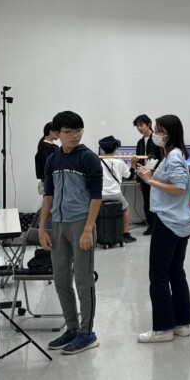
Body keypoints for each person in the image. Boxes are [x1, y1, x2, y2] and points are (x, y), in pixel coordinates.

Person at [39, 111, 102, 355]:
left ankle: (87, 333)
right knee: (61, 279)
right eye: (68, 132)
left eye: (78, 131)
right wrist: (43, 228)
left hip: (81, 223)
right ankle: (72, 328)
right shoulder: (53, 160)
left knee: (83, 280)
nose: (74, 136)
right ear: (57, 134)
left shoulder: (88, 158)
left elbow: (96, 196)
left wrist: (88, 229)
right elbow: (48, 195)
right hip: (58, 225)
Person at [134, 115, 190, 343]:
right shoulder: (173, 155)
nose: (156, 134)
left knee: (159, 275)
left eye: (159, 130)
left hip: (169, 222)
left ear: (169, 133)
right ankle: (181, 323)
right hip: (180, 221)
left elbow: (178, 188)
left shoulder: (174, 157)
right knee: (175, 272)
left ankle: (162, 329)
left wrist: (149, 180)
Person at [98, 136, 136, 243]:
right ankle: (125, 234)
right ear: (115, 147)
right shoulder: (119, 162)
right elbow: (129, 176)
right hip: (116, 194)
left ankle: (95, 234)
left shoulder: (98, 161)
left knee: (94, 209)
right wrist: (133, 164)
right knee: (126, 208)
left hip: (101, 194)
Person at [133, 114, 161, 235]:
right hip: (144, 176)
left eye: (141, 125)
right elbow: (138, 162)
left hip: (156, 176)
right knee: (147, 202)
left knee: (157, 201)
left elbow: (160, 158)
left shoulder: (157, 139)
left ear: (148, 124)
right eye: (137, 126)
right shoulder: (140, 142)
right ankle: (151, 225)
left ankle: (159, 226)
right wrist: (138, 180)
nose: (139, 128)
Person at [34, 122, 58, 196]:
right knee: (50, 198)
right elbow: (46, 165)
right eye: (56, 132)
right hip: (50, 179)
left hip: (54, 177)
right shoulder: (45, 147)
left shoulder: (53, 146)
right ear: (51, 132)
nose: (58, 134)